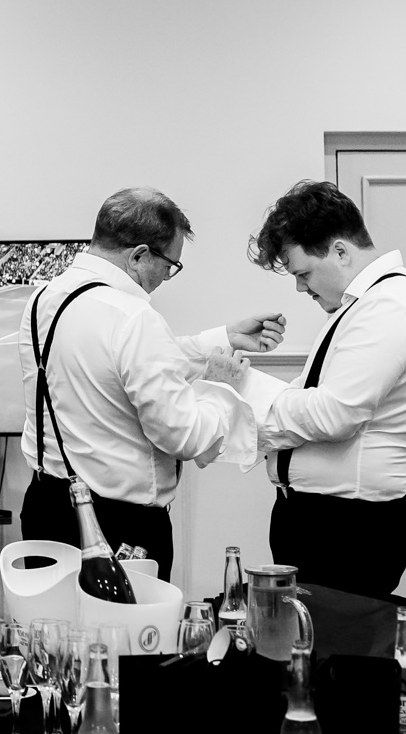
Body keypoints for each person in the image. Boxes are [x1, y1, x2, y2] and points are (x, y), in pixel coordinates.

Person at [19, 187, 286, 581]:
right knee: (129, 639)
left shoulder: (44, 298)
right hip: (118, 525)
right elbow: (183, 438)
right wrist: (220, 388)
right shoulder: (132, 317)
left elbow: (120, 365)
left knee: (53, 633)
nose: (167, 275)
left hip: (46, 506)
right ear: (140, 255)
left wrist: (225, 336)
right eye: (169, 264)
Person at [244, 180, 406, 600]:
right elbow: (310, 397)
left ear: (339, 251)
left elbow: (335, 413)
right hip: (322, 519)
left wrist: (245, 397)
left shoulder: (389, 306)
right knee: (311, 654)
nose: (301, 288)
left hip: (347, 529)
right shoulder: (364, 304)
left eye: (303, 273)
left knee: (340, 657)